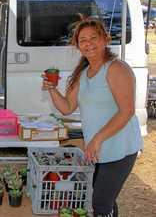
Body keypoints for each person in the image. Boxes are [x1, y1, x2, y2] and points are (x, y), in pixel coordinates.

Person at [42, 18, 143, 217]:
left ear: (105, 39)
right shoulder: (84, 73)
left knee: (100, 203)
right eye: (83, 40)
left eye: (93, 38)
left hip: (119, 148)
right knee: (103, 201)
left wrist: (96, 139)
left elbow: (127, 111)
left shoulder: (116, 69)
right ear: (77, 45)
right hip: (97, 151)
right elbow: (67, 108)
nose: (88, 44)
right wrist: (52, 89)